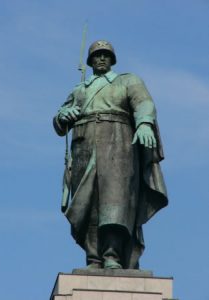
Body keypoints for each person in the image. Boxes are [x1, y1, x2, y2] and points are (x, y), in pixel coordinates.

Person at [53, 40, 168, 269]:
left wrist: (144, 123)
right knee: (88, 203)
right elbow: (59, 122)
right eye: (97, 55)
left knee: (115, 201)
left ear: (112, 59)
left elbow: (143, 103)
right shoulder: (80, 89)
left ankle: (112, 255)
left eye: (106, 55)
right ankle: (93, 258)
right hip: (84, 144)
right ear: (91, 60)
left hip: (118, 141)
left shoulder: (127, 81)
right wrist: (62, 116)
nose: (102, 58)